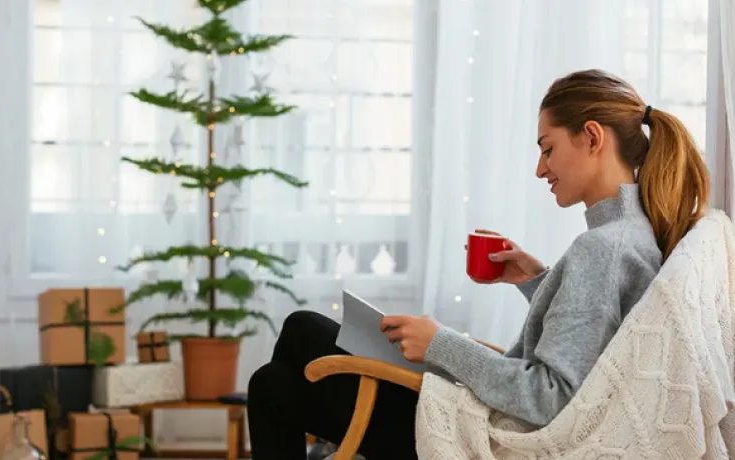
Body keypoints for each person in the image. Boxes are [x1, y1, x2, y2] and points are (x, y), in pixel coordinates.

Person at [246, 69, 711, 460]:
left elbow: (549, 396)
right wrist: (538, 280)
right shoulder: (633, 234)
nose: (540, 168)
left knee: (297, 338)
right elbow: (596, 342)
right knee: (273, 384)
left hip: (491, 439)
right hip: (496, 422)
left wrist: (438, 343)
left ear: (592, 137)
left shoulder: (604, 247)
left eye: (547, 148)